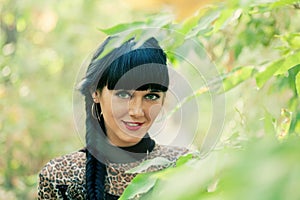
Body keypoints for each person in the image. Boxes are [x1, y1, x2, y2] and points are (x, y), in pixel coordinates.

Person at [37, 36, 189, 200]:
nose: (137, 111)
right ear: (95, 92)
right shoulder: (61, 176)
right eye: (123, 94)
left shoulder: (183, 167)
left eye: (151, 96)